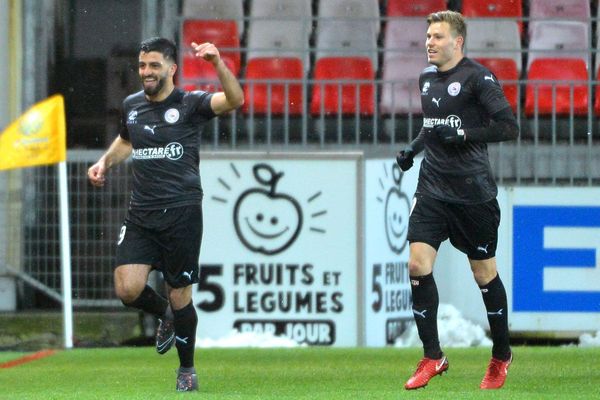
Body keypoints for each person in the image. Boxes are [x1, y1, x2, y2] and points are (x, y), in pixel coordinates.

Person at [87, 37, 244, 392]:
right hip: (141, 214)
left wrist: (218, 63)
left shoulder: (190, 104)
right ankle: (166, 316)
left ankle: (186, 370)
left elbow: (235, 100)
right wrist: (103, 162)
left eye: (154, 65)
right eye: (143, 66)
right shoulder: (131, 105)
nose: (146, 72)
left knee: (180, 294)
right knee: (127, 288)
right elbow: (127, 140)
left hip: (182, 213)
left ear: (172, 69)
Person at [396, 11, 518, 390]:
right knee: (417, 265)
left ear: (457, 42)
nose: (429, 42)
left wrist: (465, 133)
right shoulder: (426, 78)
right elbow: (432, 127)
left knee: (483, 273)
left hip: (473, 195)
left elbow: (508, 126)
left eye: (437, 36)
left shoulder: (479, 78)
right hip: (432, 189)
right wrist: (413, 150)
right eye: (428, 35)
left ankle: (501, 354)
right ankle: (433, 356)